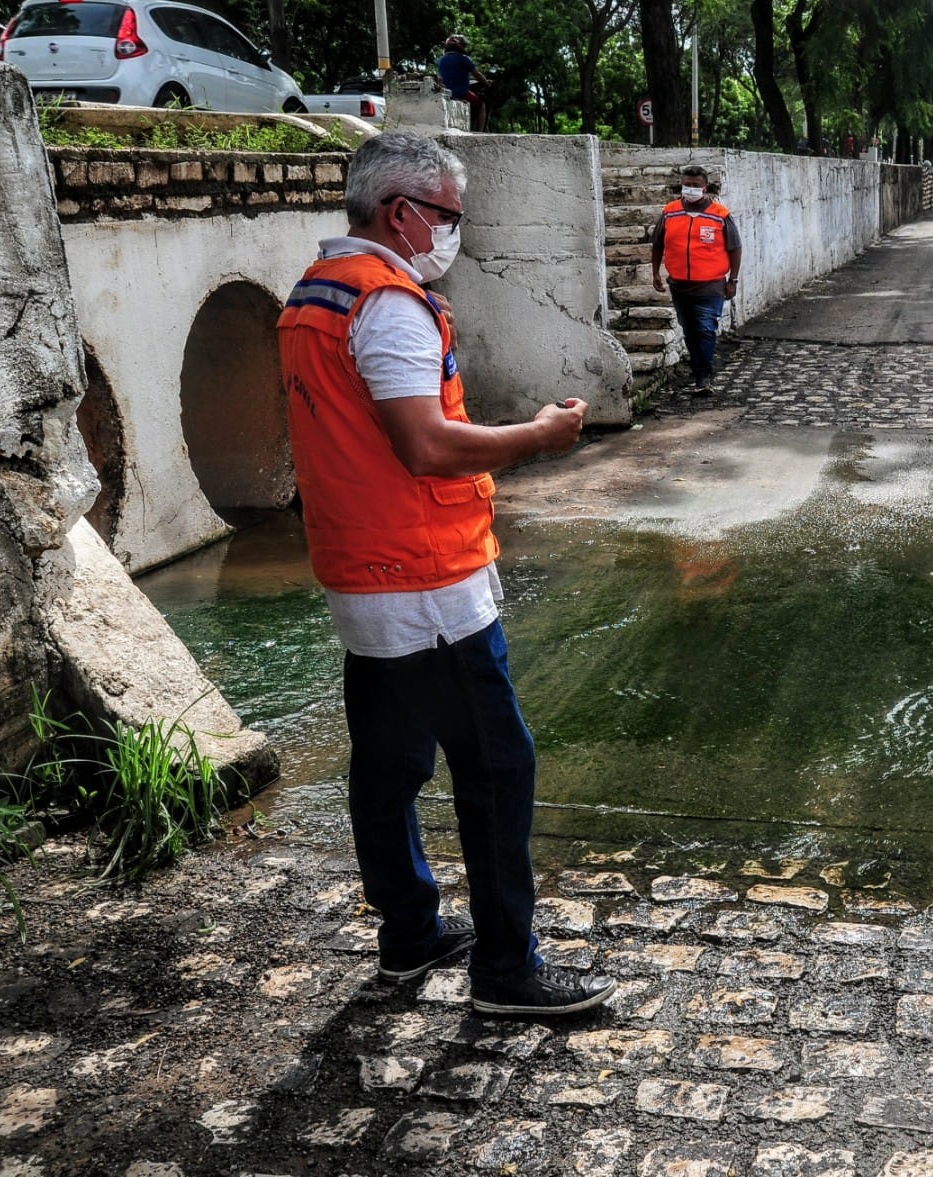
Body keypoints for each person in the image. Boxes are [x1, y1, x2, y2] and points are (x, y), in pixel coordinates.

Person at [276, 131, 616, 1016]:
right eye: (450, 216)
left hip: (365, 578)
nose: (454, 233)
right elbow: (424, 444)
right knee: (499, 765)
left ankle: (411, 932)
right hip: (427, 584)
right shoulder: (388, 303)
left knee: (387, 768)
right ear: (401, 212)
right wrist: (538, 437)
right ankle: (507, 970)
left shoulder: (315, 294)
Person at [650, 164, 741, 395]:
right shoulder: (670, 212)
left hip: (711, 286)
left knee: (706, 328)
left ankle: (704, 375)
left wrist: (733, 280)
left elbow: (735, 248)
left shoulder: (721, 215)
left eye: (695, 186)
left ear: (705, 187)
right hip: (680, 285)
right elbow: (658, 244)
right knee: (689, 330)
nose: (690, 190)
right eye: (686, 185)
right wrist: (655, 273)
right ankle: (699, 369)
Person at [437, 34, 491, 132]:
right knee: (481, 104)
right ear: (459, 46)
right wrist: (486, 83)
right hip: (461, 93)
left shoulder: (441, 60)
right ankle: (480, 130)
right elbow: (477, 75)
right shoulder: (464, 59)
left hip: (448, 92)